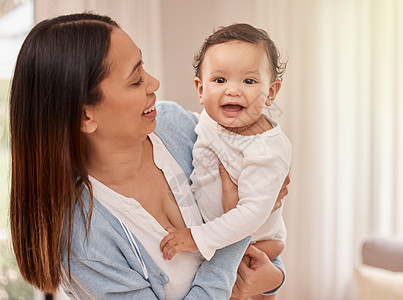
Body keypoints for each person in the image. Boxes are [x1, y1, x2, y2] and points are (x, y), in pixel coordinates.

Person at [9, 13, 288, 300]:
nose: (153, 83)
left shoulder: (177, 125)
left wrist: (272, 278)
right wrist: (237, 230)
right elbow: (241, 233)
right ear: (85, 115)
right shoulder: (85, 241)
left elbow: (264, 244)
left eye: (143, 67)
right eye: (135, 80)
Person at [160, 24, 291, 298]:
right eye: (220, 80)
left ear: (271, 92)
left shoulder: (265, 150)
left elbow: (252, 215)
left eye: (249, 81)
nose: (233, 90)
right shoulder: (208, 118)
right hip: (221, 237)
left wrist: (197, 237)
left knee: (245, 281)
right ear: (200, 88)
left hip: (258, 239)